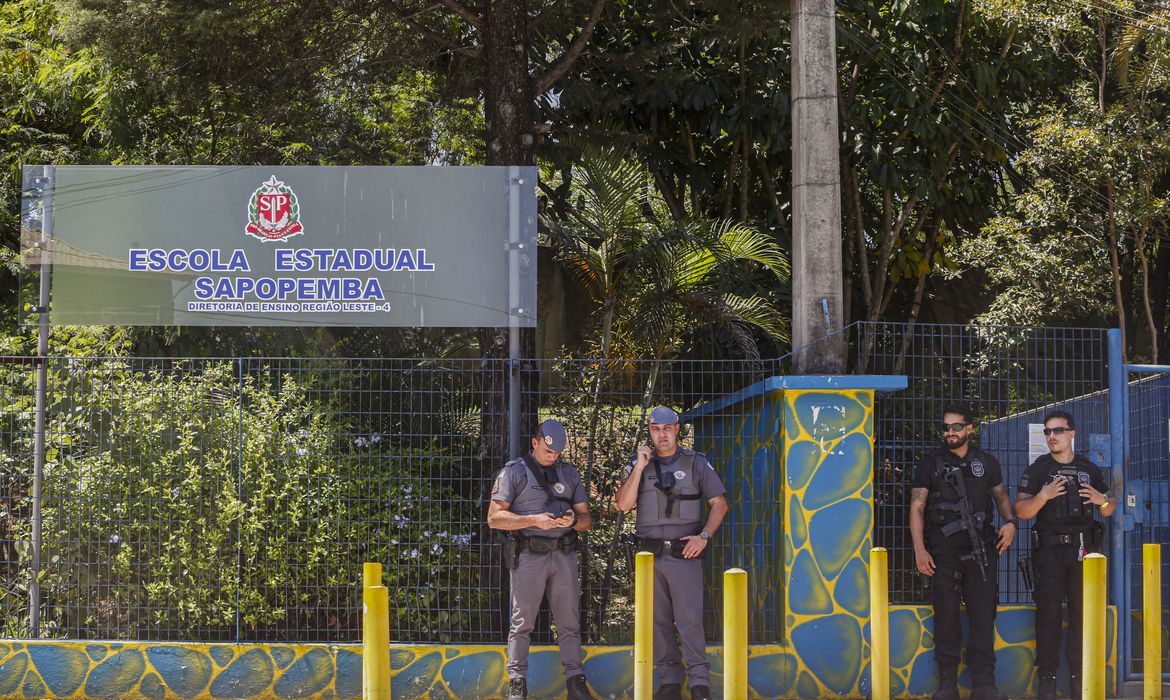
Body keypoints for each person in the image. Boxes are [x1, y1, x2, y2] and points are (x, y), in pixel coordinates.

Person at [614, 406, 729, 700]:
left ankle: (699, 682)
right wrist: (638, 468)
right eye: (655, 429)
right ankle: (669, 681)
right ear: (650, 432)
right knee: (658, 620)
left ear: (677, 429)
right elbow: (623, 505)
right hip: (649, 557)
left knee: (689, 619)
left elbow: (719, 503)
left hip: (684, 555)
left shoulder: (696, 463)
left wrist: (704, 536)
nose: (661, 434)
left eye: (667, 428)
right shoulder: (639, 465)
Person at [909, 405, 1016, 700]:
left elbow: (1002, 497)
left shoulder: (986, 462)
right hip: (943, 551)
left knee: (983, 616)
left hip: (981, 548)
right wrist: (920, 550)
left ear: (970, 428)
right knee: (946, 616)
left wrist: (1011, 523)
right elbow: (917, 507)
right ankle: (947, 685)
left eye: (957, 427)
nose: (950, 432)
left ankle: (984, 684)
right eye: (946, 427)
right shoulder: (931, 463)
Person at [487, 419, 597, 700]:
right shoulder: (514, 473)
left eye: (558, 453)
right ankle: (517, 683)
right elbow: (494, 518)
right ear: (535, 443)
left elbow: (586, 519)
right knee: (522, 622)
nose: (554, 457)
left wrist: (574, 521)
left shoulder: (568, 473)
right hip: (529, 556)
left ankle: (575, 682)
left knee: (569, 622)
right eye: (549, 452)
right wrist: (533, 520)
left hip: (564, 555)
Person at [1014, 410, 1115, 700]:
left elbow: (1109, 507)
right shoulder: (1038, 469)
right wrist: (1043, 496)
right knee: (1047, 615)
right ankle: (1047, 679)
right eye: (1047, 432)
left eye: (1057, 431)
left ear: (1072, 433)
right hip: (1049, 552)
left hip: (1083, 551)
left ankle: (1078, 678)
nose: (1052, 437)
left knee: (1083, 615)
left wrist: (1103, 499)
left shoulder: (1089, 469)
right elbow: (1021, 512)